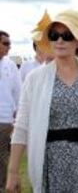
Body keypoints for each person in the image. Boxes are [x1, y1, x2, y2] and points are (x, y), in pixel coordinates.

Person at [6, 10, 78, 193]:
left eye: (66, 35)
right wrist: (13, 171)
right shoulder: (35, 79)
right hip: (49, 162)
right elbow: (22, 126)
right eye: (54, 35)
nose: (59, 40)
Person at [0, 30, 21, 192]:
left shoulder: (10, 65)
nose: (9, 47)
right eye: (6, 43)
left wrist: (17, 115)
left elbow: (17, 92)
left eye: (10, 44)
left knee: (3, 159)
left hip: (5, 120)